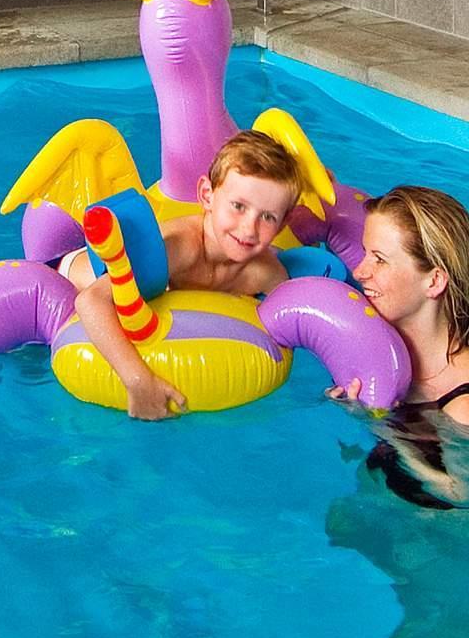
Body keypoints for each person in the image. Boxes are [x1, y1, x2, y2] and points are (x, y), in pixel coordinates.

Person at [59, 129, 300, 420]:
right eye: (238, 206)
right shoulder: (178, 249)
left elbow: (299, 324)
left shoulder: (266, 273)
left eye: (268, 217)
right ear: (207, 195)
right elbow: (90, 301)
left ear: (283, 223)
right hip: (73, 276)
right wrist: (137, 381)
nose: (249, 228)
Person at [334, 185, 469, 512]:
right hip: (389, 501)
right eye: (365, 253)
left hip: (441, 530)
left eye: (379, 260)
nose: (360, 271)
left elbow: (466, 494)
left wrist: (379, 424)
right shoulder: (388, 346)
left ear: (434, 281)